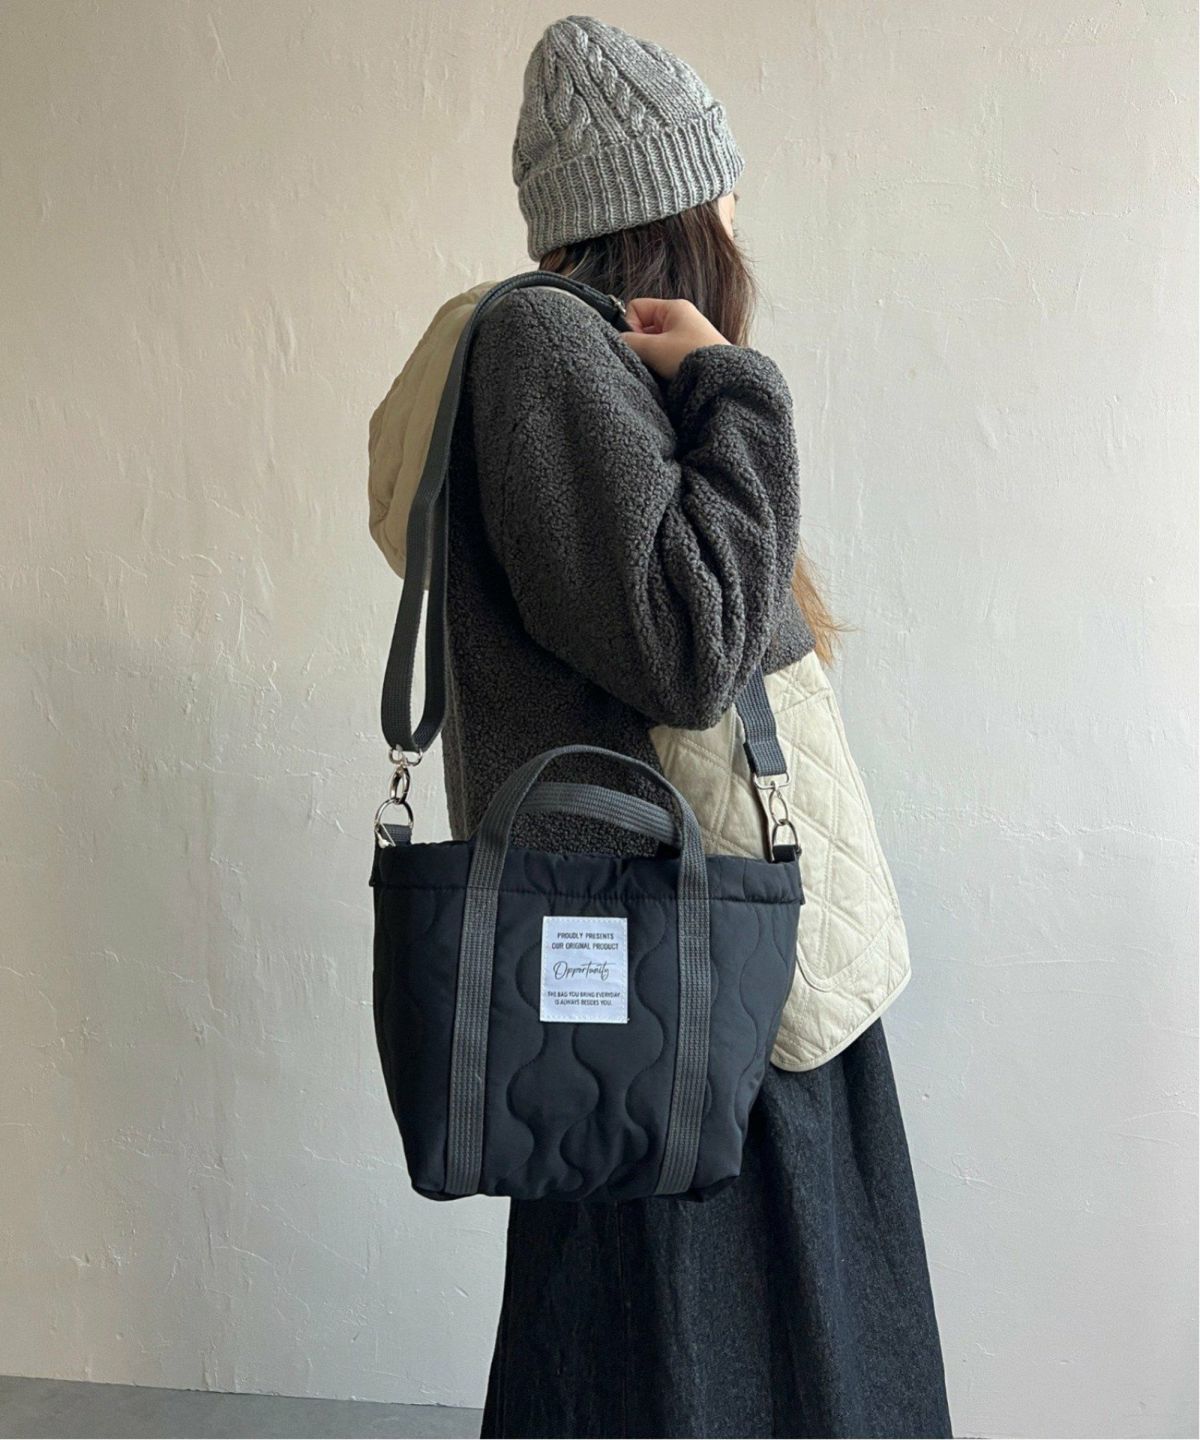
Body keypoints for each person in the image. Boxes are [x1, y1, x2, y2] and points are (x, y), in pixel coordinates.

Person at [368, 14, 953, 1437]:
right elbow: (689, 643)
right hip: (681, 978)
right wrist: (736, 387)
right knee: (712, 1364)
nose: (741, 215)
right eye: (723, 188)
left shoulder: (585, 363)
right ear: (672, 210)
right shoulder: (546, 350)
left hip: (701, 962)